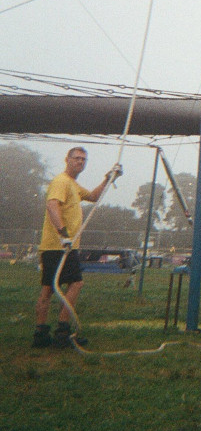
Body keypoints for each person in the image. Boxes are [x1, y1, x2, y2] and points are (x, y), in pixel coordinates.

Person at [32, 146, 118, 349]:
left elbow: (93, 196)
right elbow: (52, 205)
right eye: (77, 158)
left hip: (65, 246)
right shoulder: (61, 182)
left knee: (49, 289)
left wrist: (109, 178)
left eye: (83, 159)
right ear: (67, 160)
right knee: (75, 284)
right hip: (58, 246)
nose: (80, 162)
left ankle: (41, 335)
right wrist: (63, 235)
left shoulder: (72, 184)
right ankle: (62, 332)